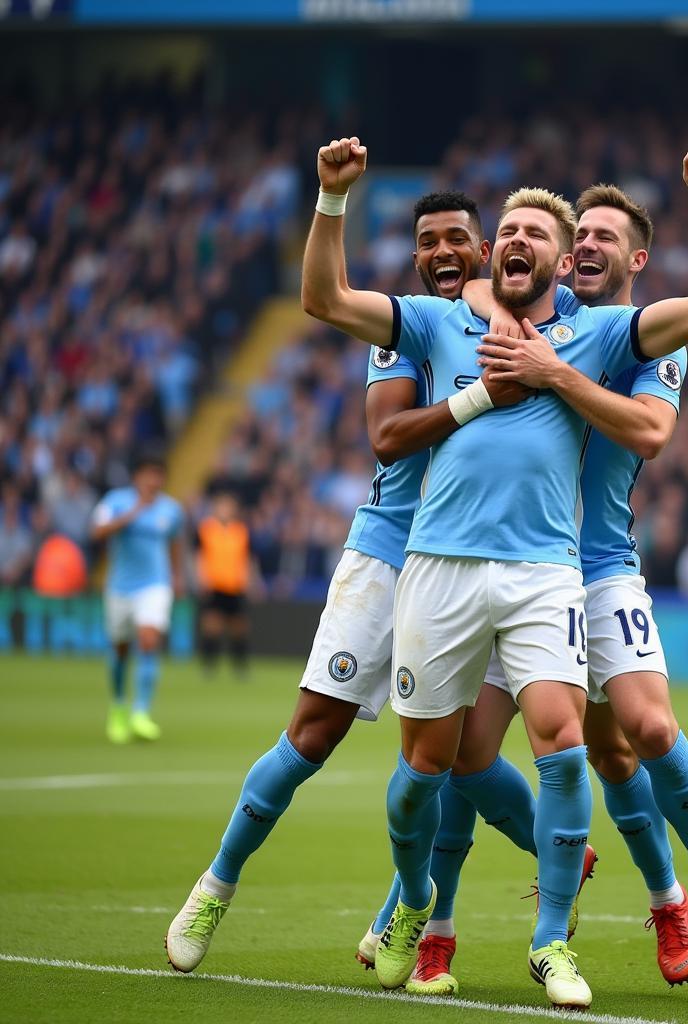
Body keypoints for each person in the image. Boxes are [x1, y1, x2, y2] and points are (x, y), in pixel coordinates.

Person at [301, 136, 688, 1009]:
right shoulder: (443, 319)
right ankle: (419, 907)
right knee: (442, 761)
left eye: (546, 230)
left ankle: (623, 920)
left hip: (566, 567)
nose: (526, 239)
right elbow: (325, 300)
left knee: (594, 740)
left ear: (583, 254)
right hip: (441, 567)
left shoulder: (612, 335)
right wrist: (333, 200)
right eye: (511, 227)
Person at [380, 181, 688, 997]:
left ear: (633, 258)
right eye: (583, 234)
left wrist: (553, 371)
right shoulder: (525, 306)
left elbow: (649, 431)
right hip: (506, 562)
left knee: (640, 733)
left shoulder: (635, 343)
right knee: (462, 752)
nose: (590, 247)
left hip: (595, 568)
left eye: (606, 237)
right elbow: (470, 282)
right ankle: (426, 920)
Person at [164, 191, 530, 973]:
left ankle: (415, 906)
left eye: (457, 239)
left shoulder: (529, 327)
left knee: (459, 757)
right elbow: (388, 437)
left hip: (484, 562)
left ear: (486, 249)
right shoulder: (407, 327)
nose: (441, 251)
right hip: (392, 553)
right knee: (313, 733)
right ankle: (215, 885)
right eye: (427, 240)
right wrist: (477, 397)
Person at [90, 450, 185, 743]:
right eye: (148, 473)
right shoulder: (116, 502)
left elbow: (175, 543)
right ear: (137, 476)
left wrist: (177, 574)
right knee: (120, 650)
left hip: (155, 585)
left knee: (148, 639)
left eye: (158, 474)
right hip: (120, 587)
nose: (153, 480)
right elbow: (97, 532)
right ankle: (118, 705)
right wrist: (133, 514)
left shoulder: (171, 509)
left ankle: (141, 712)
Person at [196, 491, 253, 678]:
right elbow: (199, 556)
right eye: (222, 506)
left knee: (239, 627)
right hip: (214, 584)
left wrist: (248, 579)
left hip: (235, 585)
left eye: (229, 507)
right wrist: (201, 578)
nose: (226, 510)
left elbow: (246, 558)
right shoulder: (206, 529)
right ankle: (209, 666)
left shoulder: (240, 531)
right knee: (212, 626)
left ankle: (240, 667)